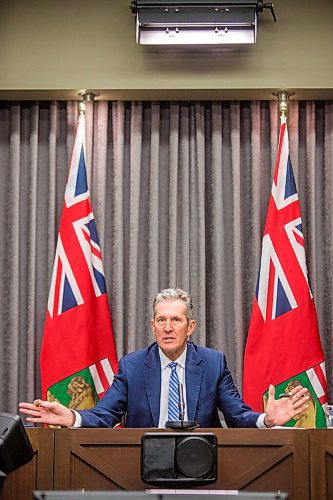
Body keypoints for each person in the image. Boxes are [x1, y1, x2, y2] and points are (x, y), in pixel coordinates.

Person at [19, 288, 309, 429]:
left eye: (175, 320)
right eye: (161, 320)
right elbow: (104, 415)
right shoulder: (132, 366)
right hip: (141, 467)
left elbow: (237, 416)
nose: (168, 328)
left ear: (190, 326)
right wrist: (72, 416)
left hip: (202, 466)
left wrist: (267, 420)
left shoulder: (212, 363)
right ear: (153, 325)